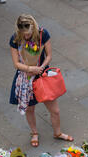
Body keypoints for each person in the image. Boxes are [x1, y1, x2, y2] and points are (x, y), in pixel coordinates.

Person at [9, 14, 73, 147]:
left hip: (42, 75)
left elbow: (49, 55)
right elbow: (16, 63)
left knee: (55, 110)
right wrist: (30, 68)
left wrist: (41, 67)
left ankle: (58, 132)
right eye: (24, 34)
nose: (26, 36)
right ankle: (34, 133)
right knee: (30, 109)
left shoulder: (43, 34)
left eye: (29, 33)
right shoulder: (15, 38)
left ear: (33, 27)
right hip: (25, 77)